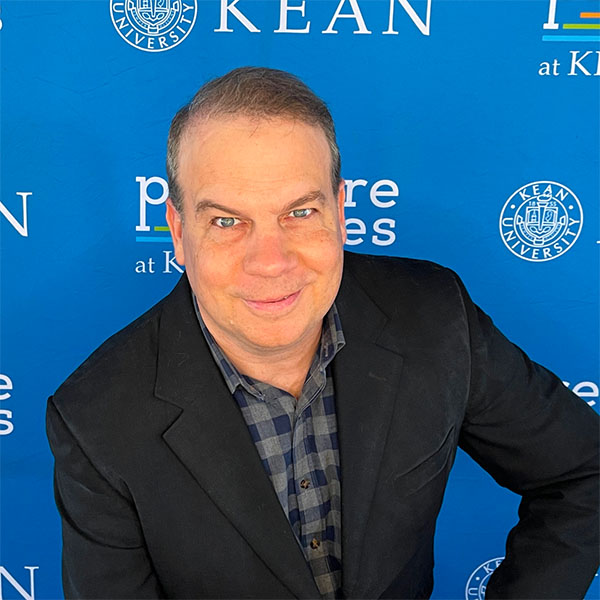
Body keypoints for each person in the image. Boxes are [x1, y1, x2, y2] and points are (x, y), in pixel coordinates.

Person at [47, 67, 599, 600]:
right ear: (177, 231)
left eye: (299, 212)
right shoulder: (96, 420)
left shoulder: (434, 317)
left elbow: (585, 471)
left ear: (338, 208)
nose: (270, 261)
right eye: (226, 222)